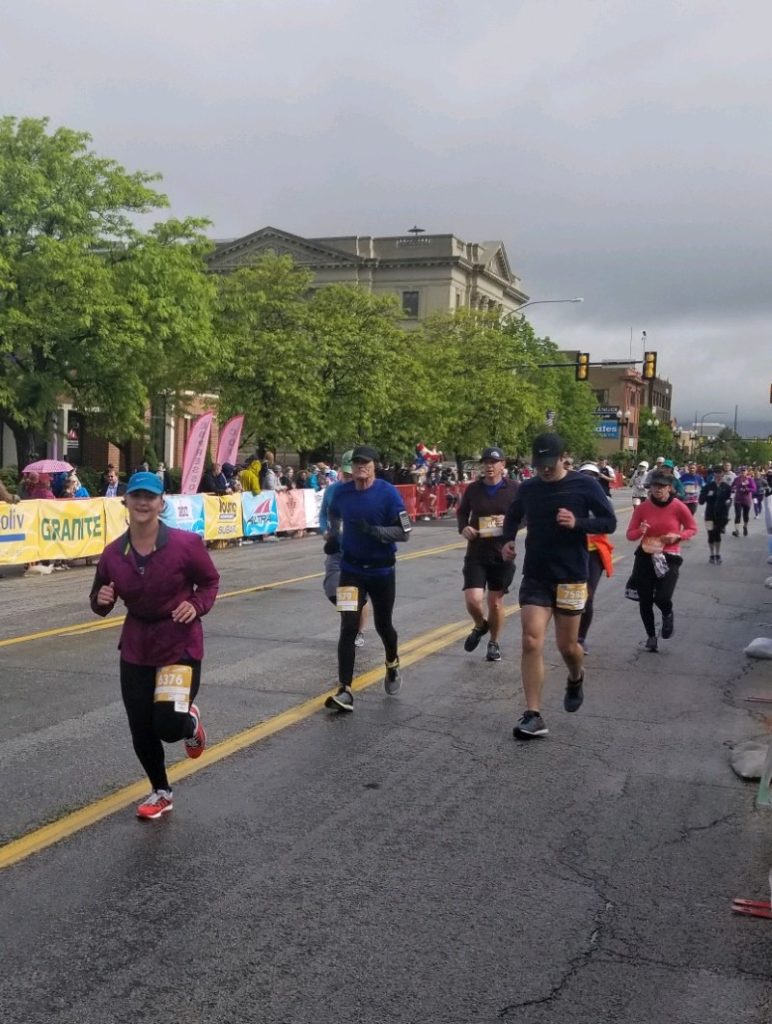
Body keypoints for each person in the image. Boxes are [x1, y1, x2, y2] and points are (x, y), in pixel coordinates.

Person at [89, 471, 220, 819]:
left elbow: (209, 582)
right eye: (137, 497)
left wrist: (195, 605)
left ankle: (189, 723)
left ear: (162, 503)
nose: (143, 503)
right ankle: (161, 790)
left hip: (178, 644)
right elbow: (99, 597)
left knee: (167, 726)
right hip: (137, 646)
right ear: (126, 502)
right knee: (140, 724)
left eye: (150, 497)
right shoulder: (114, 553)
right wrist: (101, 600)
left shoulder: (185, 544)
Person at [501, 433, 617, 740]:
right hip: (537, 574)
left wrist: (578, 523)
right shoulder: (528, 488)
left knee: (567, 646)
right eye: (539, 464)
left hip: (571, 575)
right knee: (530, 641)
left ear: (564, 457)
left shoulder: (585, 485)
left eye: (550, 464)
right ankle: (533, 714)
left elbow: (609, 522)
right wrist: (508, 540)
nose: (545, 470)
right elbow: (512, 517)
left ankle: (576, 676)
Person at [324, 445, 411, 712]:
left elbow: (405, 531)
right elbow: (334, 515)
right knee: (348, 626)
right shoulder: (341, 493)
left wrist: (375, 531)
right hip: (351, 571)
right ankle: (345, 690)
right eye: (357, 463)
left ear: (375, 465)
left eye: (366, 462)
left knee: (384, 625)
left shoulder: (388, 493)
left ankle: (392, 662)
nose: (361, 466)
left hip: (382, 570)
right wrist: (334, 538)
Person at [456, 446, 519, 663]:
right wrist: (464, 527)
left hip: (501, 554)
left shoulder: (514, 488)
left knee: (495, 603)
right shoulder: (474, 489)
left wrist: (510, 522)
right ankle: (481, 625)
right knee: (474, 600)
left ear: (503, 465)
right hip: (476, 551)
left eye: (494, 462)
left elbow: (526, 515)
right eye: (486, 463)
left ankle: (494, 643)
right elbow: (462, 512)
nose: (489, 466)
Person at [626, 469, 697, 652]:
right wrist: (641, 531)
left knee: (663, 597)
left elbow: (692, 528)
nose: (657, 490)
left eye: (662, 486)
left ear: (670, 488)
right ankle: (650, 636)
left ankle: (667, 613)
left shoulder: (678, 506)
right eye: (654, 486)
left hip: (669, 555)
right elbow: (630, 535)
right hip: (646, 555)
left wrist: (677, 536)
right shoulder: (643, 508)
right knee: (645, 600)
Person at [320, 450, 369, 648]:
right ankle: (350, 618)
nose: (350, 477)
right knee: (333, 588)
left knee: (358, 595)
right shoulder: (333, 491)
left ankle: (358, 631)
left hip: (359, 550)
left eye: (353, 473)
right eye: (347, 474)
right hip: (337, 549)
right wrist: (325, 530)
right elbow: (324, 514)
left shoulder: (365, 491)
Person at [576, 463, 615, 654]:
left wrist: (583, 524)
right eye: (585, 475)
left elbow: (609, 523)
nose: (589, 478)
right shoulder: (570, 498)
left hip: (594, 552)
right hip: (573, 552)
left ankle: (580, 638)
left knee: (588, 597)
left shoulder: (603, 499)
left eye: (593, 476)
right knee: (572, 597)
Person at [699, 466, 732, 564]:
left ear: (723, 474)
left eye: (720, 472)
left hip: (721, 515)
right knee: (710, 534)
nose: (718, 474)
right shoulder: (708, 486)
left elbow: (730, 499)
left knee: (717, 534)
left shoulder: (726, 487)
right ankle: (711, 554)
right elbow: (701, 501)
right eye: (716, 472)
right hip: (709, 514)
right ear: (713, 474)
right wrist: (707, 495)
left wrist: (728, 503)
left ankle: (717, 554)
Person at [730, 467, 756, 537]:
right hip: (738, 499)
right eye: (742, 471)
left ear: (747, 472)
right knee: (738, 515)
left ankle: (745, 526)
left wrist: (747, 489)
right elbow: (732, 486)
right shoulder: (737, 479)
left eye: (744, 471)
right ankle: (737, 531)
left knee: (745, 515)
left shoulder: (750, 479)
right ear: (739, 472)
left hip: (747, 500)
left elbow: (754, 489)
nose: (743, 472)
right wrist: (733, 489)